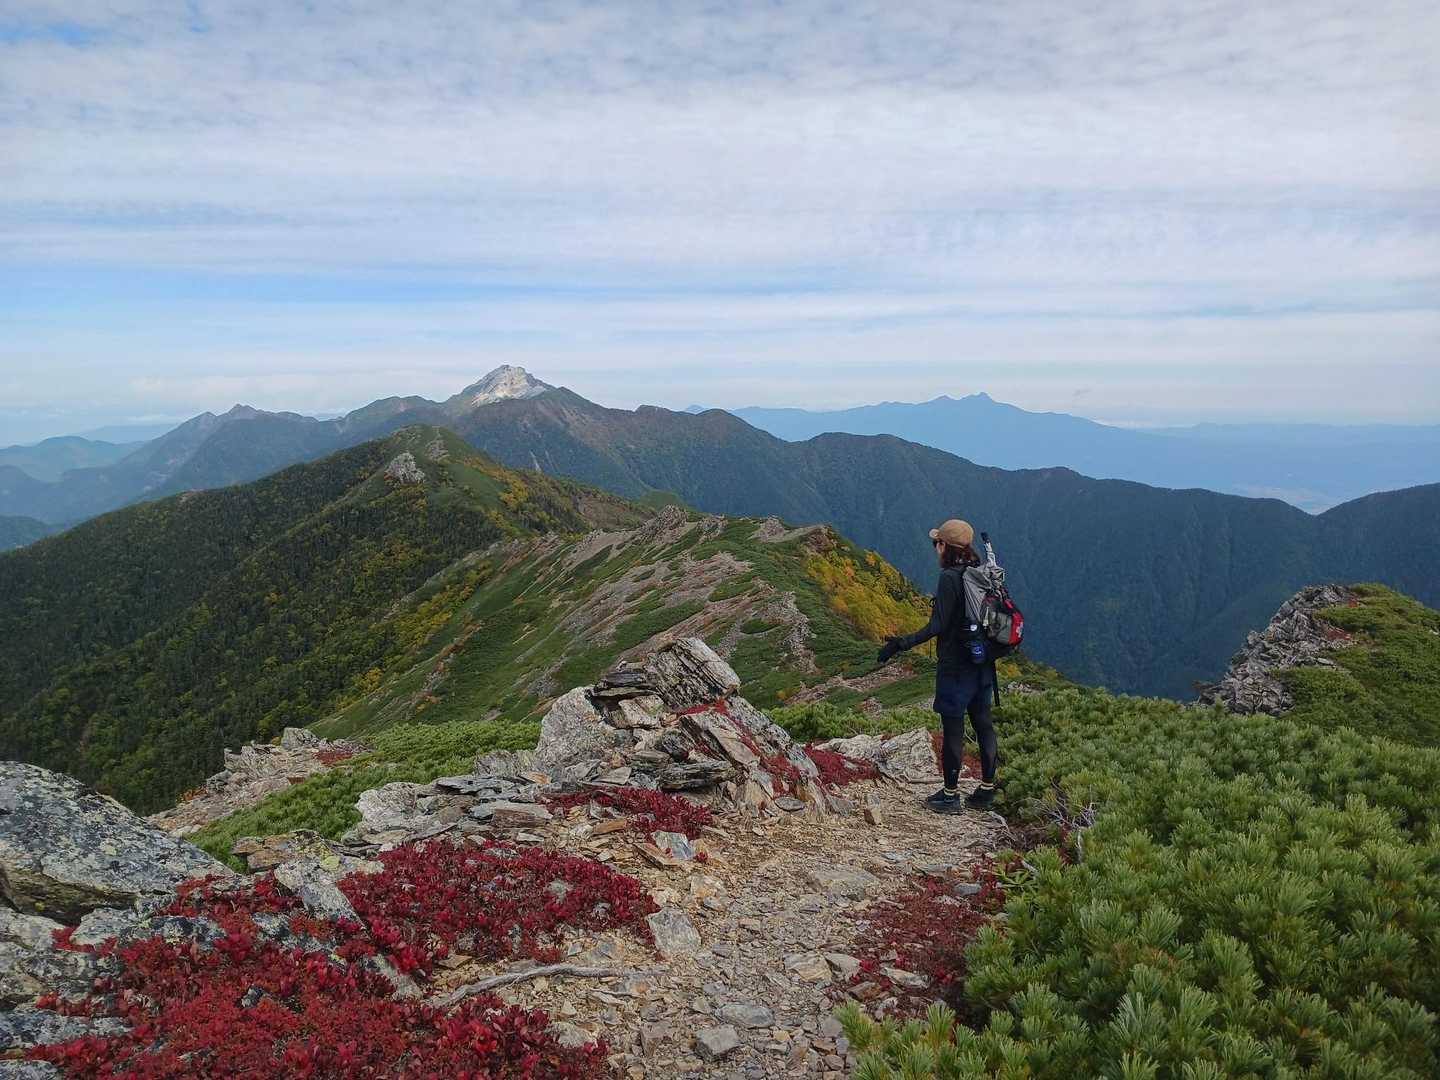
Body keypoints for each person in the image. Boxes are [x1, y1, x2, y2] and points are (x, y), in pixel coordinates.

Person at [876, 518, 997, 813]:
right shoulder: (980, 573)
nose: (935, 548)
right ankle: (987, 789)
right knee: (983, 723)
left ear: (945, 546)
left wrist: (900, 644)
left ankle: (950, 795)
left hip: (955, 667)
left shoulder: (950, 579)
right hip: (982, 662)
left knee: (953, 729)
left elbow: (937, 626)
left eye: (936, 543)